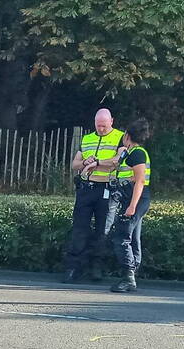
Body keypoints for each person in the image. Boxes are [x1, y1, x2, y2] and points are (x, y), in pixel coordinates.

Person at [64, 109, 124, 283]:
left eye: (104, 126)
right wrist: (85, 162)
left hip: (106, 188)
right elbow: (75, 164)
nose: (101, 129)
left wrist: (97, 163)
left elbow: (118, 161)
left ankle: (96, 267)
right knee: (79, 228)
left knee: (102, 229)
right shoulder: (87, 138)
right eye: (98, 126)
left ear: (111, 121)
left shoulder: (120, 137)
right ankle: (74, 267)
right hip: (86, 188)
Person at [108, 120, 152, 293]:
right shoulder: (131, 153)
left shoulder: (138, 154)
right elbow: (121, 168)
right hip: (132, 197)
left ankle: (128, 277)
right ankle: (132, 272)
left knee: (121, 235)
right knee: (133, 237)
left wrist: (132, 206)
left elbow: (140, 180)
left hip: (136, 199)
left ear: (127, 136)